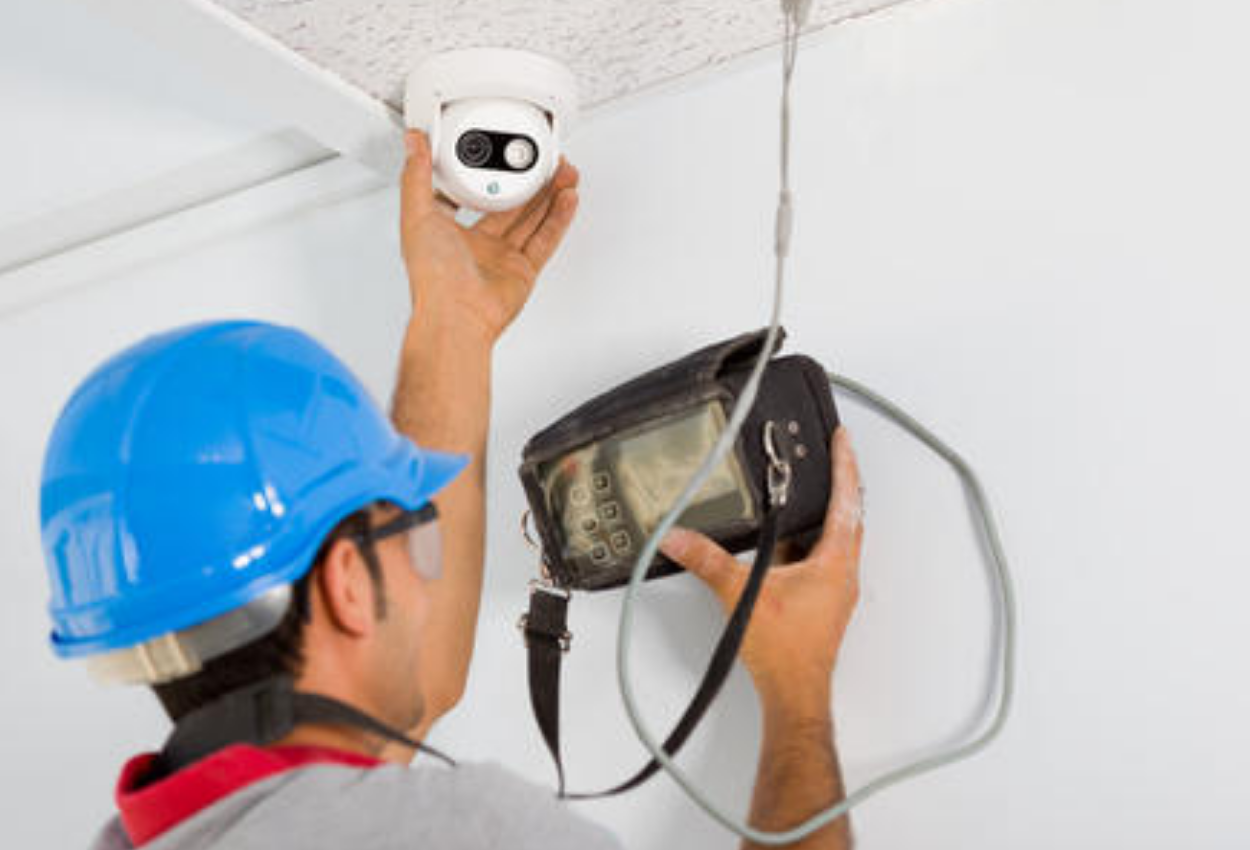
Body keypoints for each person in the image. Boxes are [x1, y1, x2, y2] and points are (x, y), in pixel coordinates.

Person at [39, 130, 864, 850]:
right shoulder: (466, 833)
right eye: (414, 539)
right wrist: (798, 687)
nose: (427, 570)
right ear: (349, 583)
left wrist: (454, 321)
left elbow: (396, 698)